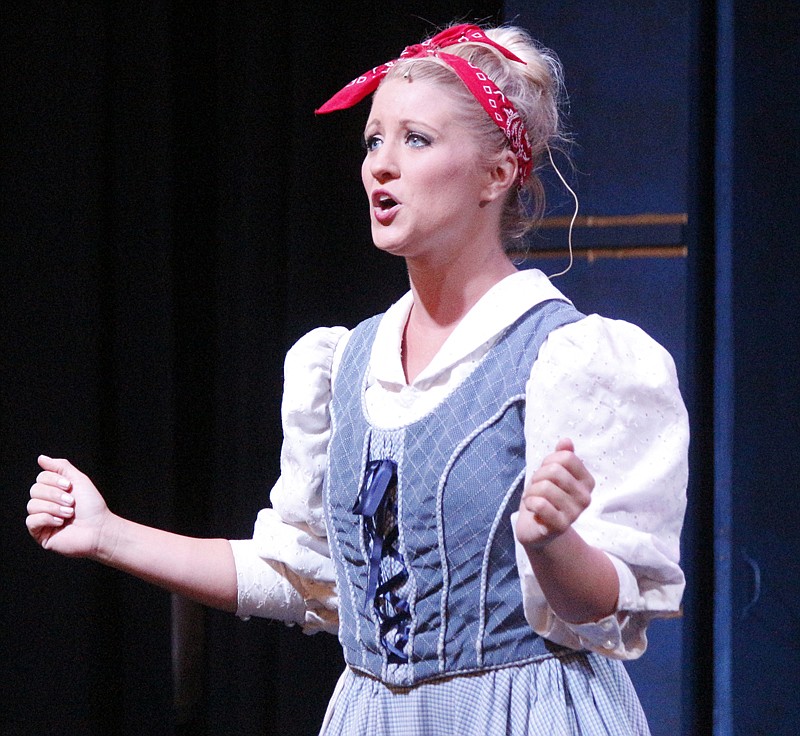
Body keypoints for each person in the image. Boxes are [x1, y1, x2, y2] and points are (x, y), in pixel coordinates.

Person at [27, 23, 688, 735]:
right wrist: (106, 534)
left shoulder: (568, 360)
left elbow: (606, 608)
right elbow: (300, 574)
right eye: (374, 141)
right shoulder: (344, 365)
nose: (380, 166)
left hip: (521, 715)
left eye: (416, 140)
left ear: (497, 175)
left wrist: (552, 541)